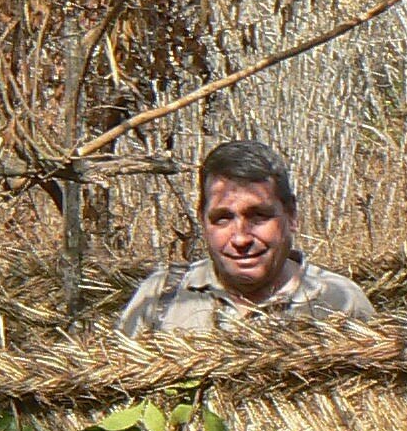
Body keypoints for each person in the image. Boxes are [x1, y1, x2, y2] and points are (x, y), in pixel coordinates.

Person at [116, 139, 375, 336]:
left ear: (291, 216)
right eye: (223, 218)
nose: (240, 238)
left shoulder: (339, 302)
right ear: (203, 221)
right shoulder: (162, 296)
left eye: (259, 216)